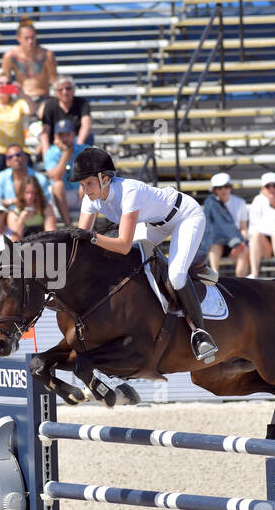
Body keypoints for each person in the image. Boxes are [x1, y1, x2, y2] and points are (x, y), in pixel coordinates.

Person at [73, 147, 218, 363]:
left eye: (88, 183)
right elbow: (81, 241)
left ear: (104, 179)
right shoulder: (91, 198)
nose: (84, 190)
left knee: (176, 275)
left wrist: (92, 238)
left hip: (185, 216)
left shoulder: (129, 192)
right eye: (82, 185)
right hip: (154, 224)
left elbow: (121, 244)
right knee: (125, 261)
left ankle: (200, 334)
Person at [0, 19, 57, 112]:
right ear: (18, 38)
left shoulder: (46, 55)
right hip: (21, 98)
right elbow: (4, 82)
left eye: (32, 37)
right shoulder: (11, 56)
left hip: (42, 98)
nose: (30, 41)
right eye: (26, 38)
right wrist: (15, 90)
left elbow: (54, 80)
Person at [200, 171, 249, 277]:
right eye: (219, 187)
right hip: (217, 242)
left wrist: (241, 243)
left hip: (237, 241)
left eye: (226, 186)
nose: (223, 190)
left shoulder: (240, 203)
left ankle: (241, 282)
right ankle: (214, 276)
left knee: (244, 250)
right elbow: (209, 230)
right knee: (214, 244)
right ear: (214, 190)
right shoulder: (210, 203)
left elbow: (243, 228)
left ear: (230, 187)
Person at [37, 76, 92, 155]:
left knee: (89, 138)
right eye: (60, 89)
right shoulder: (49, 105)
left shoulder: (82, 103)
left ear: (73, 90)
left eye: (68, 88)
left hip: (77, 140)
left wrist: (78, 147)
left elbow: (86, 125)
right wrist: (47, 154)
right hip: (56, 142)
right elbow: (45, 131)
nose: (64, 92)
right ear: (56, 92)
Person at [42, 118, 80, 223]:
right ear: (55, 137)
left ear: (73, 135)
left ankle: (87, 227)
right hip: (60, 198)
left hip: (81, 194)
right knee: (57, 185)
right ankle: (68, 226)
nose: (64, 138)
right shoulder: (50, 153)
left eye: (67, 134)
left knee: (88, 182)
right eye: (61, 135)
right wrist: (65, 153)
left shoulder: (84, 149)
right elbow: (56, 177)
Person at [6, 172, 58, 238]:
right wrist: (21, 220)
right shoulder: (13, 214)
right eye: (27, 192)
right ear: (22, 193)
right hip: (22, 246)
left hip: (42, 244)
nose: (30, 196)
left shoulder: (46, 208)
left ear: (38, 192)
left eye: (33, 192)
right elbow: (14, 240)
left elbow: (51, 235)